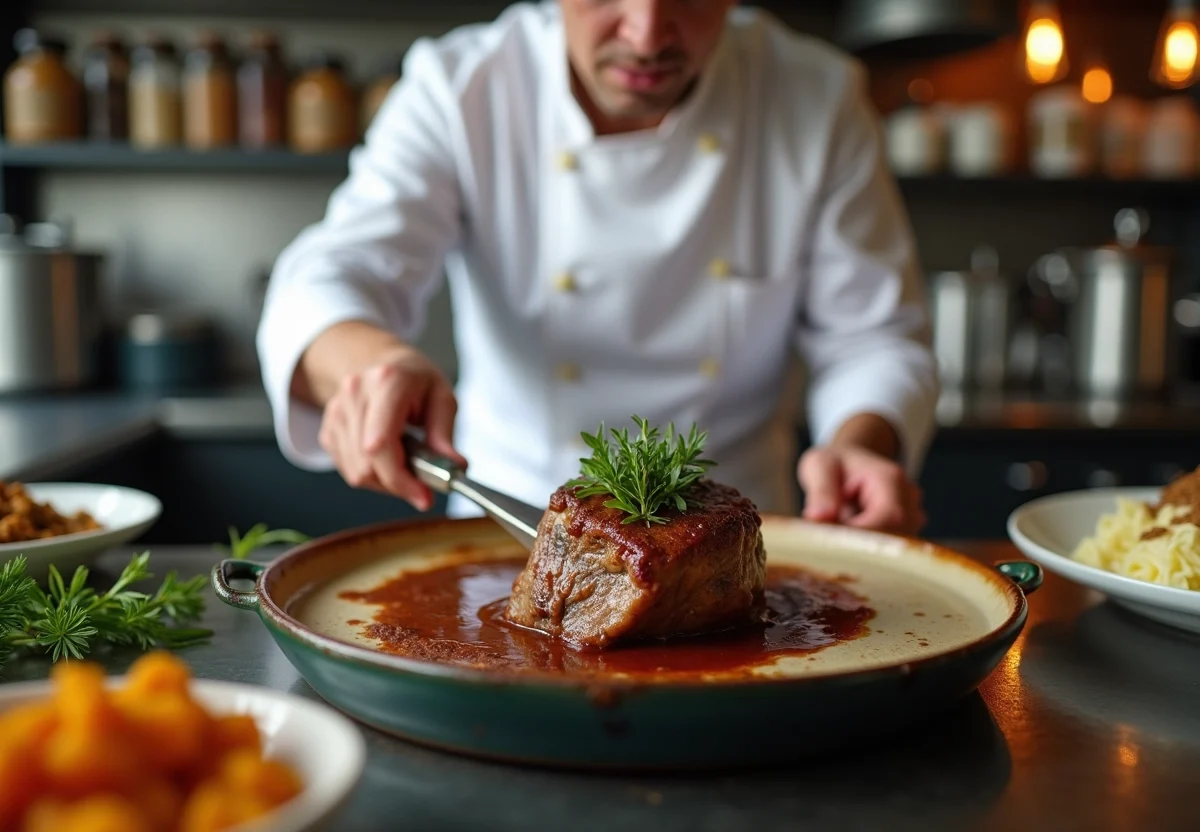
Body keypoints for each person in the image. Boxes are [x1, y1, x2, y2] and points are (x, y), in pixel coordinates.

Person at [256, 0, 939, 535]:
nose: (646, 34)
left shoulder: (816, 96)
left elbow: (872, 337)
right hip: (508, 530)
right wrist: (371, 363)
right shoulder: (463, 85)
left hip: (747, 541)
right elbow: (332, 271)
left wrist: (861, 444)